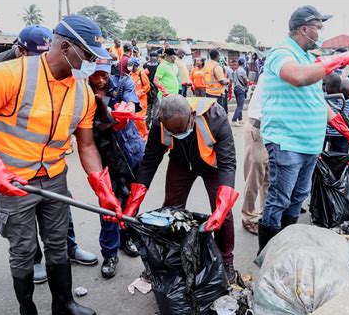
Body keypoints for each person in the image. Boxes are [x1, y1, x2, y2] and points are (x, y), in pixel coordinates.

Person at [0, 15, 122, 315]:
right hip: (14, 181)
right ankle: (28, 311)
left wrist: (104, 191)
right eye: (87, 55)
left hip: (54, 178)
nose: (92, 64)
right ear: (64, 46)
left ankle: (63, 304)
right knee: (23, 251)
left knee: (58, 243)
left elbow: (87, 146)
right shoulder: (9, 75)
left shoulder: (83, 93)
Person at [258, 5, 349, 253]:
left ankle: (286, 247)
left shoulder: (307, 58)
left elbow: (318, 103)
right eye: (318, 27)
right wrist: (339, 59)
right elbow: (298, 77)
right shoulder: (282, 52)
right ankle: (267, 253)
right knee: (279, 199)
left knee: (297, 199)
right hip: (287, 143)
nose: (321, 32)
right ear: (304, 29)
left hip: (309, 145)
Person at [112, 94, 239, 282]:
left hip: (213, 165)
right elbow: (149, 162)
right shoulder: (159, 123)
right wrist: (133, 204)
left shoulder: (215, 116)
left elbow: (228, 164)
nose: (178, 134)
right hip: (180, 163)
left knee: (223, 213)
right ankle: (169, 258)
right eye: (173, 132)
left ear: (191, 115)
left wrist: (221, 208)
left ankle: (226, 259)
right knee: (170, 209)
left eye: (182, 129)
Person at [88, 59, 143, 278]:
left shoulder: (123, 83)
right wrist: (104, 115)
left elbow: (132, 102)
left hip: (131, 151)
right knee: (108, 207)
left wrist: (126, 108)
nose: (101, 80)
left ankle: (126, 236)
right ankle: (110, 253)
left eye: (104, 75)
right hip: (104, 156)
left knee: (132, 200)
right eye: (96, 76)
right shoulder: (81, 91)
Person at [242, 81, 268, 235]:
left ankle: (265, 216)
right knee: (254, 179)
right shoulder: (275, 74)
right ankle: (249, 218)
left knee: (269, 179)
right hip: (258, 130)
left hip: (272, 132)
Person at [323, 73, 349, 153]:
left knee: (340, 160)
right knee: (315, 159)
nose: (340, 101)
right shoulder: (324, 89)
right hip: (320, 129)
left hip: (341, 131)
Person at [128, 56, 151, 140]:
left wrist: (140, 92)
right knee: (134, 118)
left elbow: (147, 87)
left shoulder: (141, 74)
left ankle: (144, 134)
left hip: (142, 100)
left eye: (130, 64)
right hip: (133, 100)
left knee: (140, 118)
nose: (129, 66)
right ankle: (139, 133)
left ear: (135, 65)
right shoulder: (130, 74)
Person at [143, 51, 160, 126]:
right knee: (156, 106)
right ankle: (154, 124)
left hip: (148, 88)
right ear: (157, 56)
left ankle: (146, 124)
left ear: (150, 56)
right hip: (157, 87)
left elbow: (144, 75)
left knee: (148, 106)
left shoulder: (146, 64)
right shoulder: (159, 64)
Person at [231, 58, 249, 126]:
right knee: (240, 106)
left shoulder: (236, 70)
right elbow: (245, 80)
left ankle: (240, 119)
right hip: (241, 89)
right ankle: (234, 120)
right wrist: (247, 82)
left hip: (235, 88)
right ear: (244, 63)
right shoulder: (243, 71)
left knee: (239, 105)